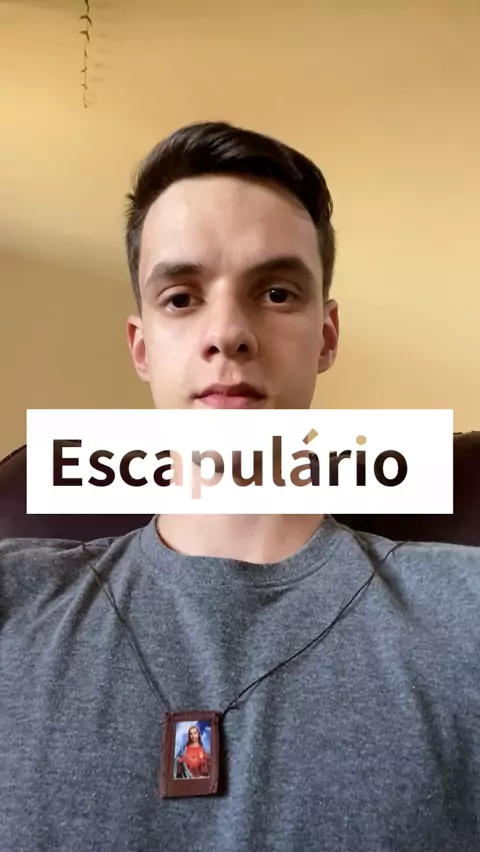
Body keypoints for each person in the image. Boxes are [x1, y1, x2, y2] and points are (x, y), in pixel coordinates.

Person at [1, 120, 479, 852]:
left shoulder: (465, 614)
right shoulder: (15, 603)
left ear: (326, 336)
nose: (227, 332)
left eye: (277, 292)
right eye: (181, 298)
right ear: (141, 347)